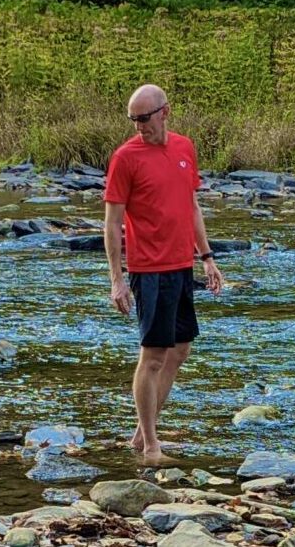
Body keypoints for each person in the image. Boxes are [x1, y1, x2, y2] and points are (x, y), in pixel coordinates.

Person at [103, 84, 224, 465]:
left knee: (179, 350)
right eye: (133, 120)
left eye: (145, 118)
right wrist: (117, 278)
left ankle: (142, 434)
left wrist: (206, 257)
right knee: (153, 355)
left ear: (165, 112)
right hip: (147, 268)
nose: (140, 127)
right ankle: (152, 446)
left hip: (181, 265)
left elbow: (191, 206)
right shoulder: (125, 158)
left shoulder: (185, 148)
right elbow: (112, 223)